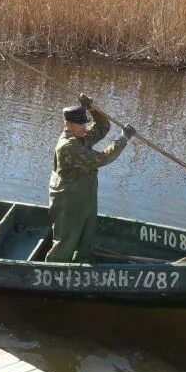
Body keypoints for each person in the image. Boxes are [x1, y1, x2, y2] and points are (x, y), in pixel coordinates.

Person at [46, 95, 136, 263]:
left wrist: (92, 108)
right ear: (68, 124)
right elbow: (102, 158)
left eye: (84, 123)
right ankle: (53, 270)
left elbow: (103, 127)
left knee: (86, 233)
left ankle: (80, 264)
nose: (83, 127)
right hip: (69, 198)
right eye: (79, 124)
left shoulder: (81, 137)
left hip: (84, 195)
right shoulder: (68, 146)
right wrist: (123, 139)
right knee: (67, 238)